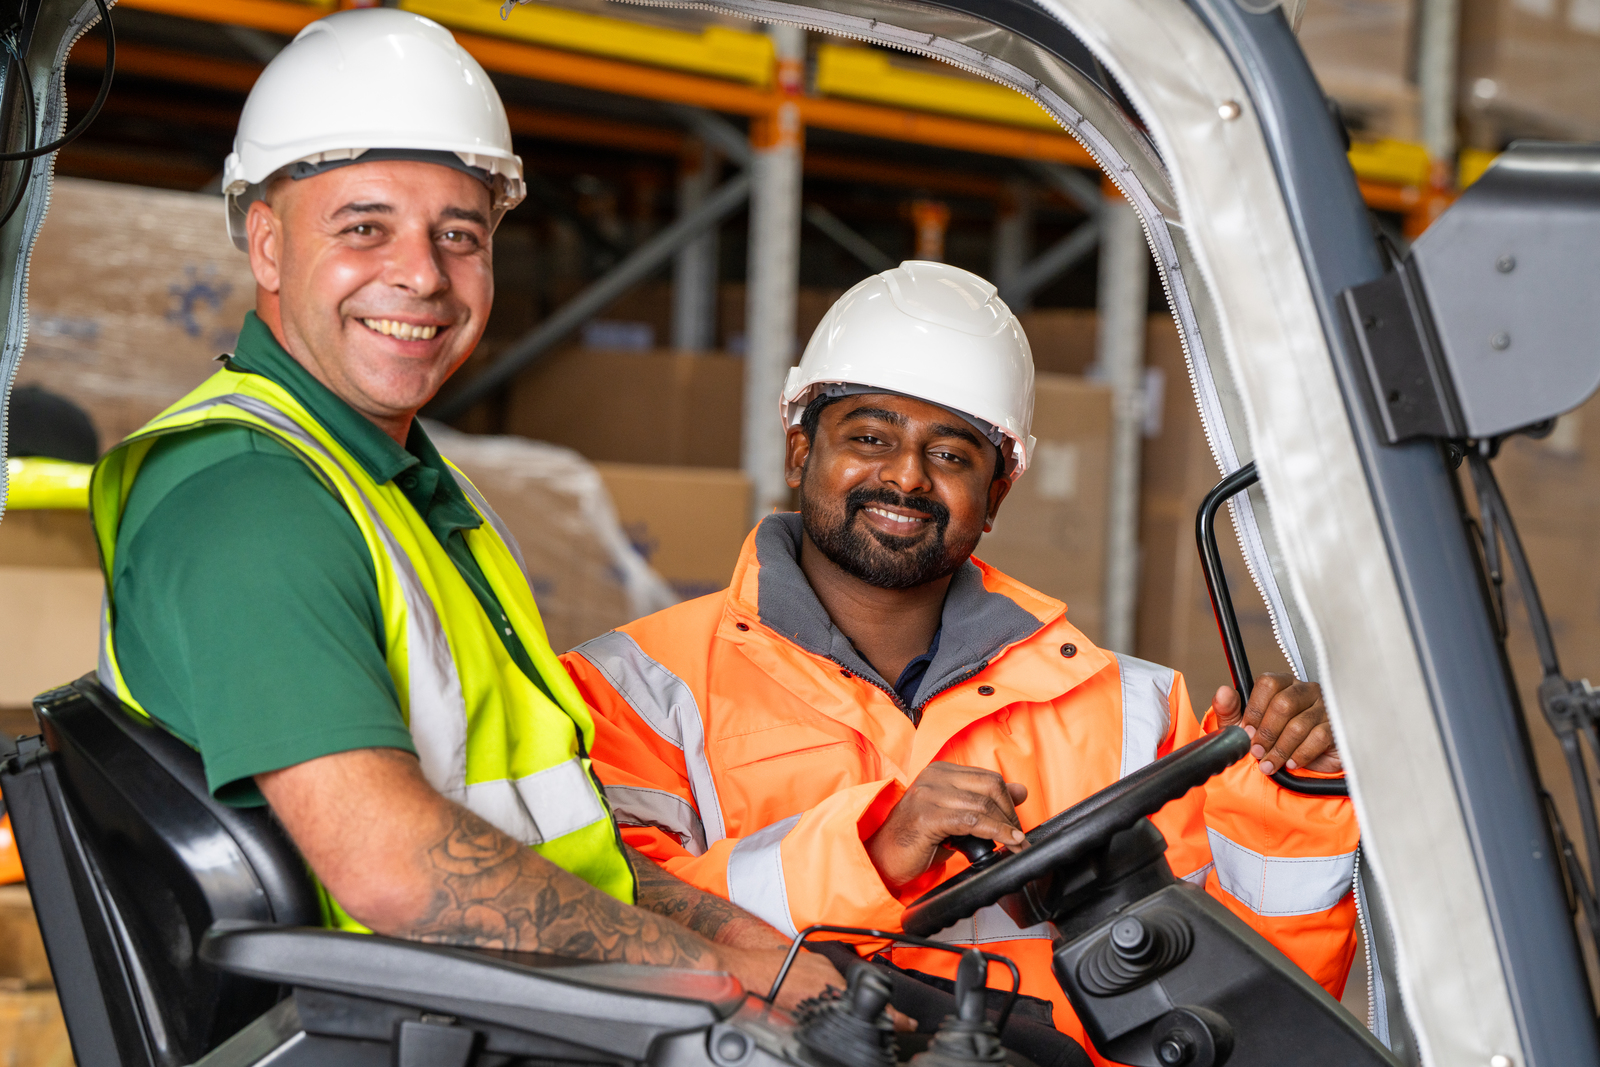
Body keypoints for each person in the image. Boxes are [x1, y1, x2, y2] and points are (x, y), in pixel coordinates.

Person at [87, 8, 838, 1006]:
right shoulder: (252, 499)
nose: (422, 275)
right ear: (265, 245)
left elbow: (542, 842)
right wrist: (714, 984)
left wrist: (762, 953)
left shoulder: (401, 485)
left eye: (459, 234)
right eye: (364, 227)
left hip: (502, 1013)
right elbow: (396, 867)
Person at [563, 262, 1359, 1056]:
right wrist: (871, 851)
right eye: (870, 438)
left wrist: (1295, 792)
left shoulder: (1135, 708)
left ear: (997, 496)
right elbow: (601, 923)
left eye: (950, 454)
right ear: (800, 451)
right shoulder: (636, 688)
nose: (906, 476)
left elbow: (1253, 1011)